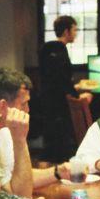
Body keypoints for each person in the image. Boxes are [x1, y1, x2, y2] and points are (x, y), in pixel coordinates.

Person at [0, 67, 68, 197]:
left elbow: (19, 178)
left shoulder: (3, 133)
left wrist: (58, 172)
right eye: (23, 104)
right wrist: (20, 141)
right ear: (2, 106)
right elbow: (18, 195)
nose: (27, 109)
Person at [38, 14, 89, 162]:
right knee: (60, 136)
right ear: (66, 31)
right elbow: (62, 80)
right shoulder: (59, 50)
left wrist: (74, 87)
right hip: (58, 103)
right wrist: (78, 95)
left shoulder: (48, 49)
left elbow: (56, 78)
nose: (75, 33)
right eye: (74, 30)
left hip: (47, 99)